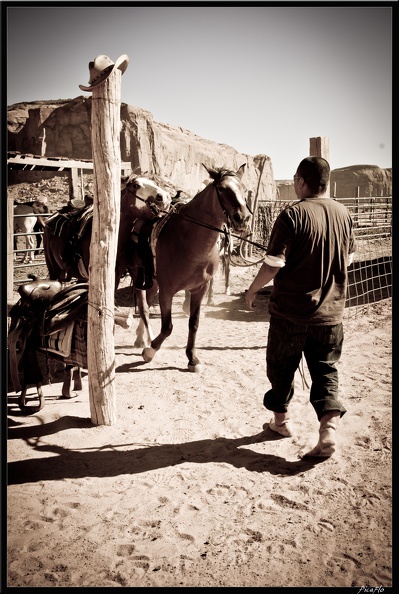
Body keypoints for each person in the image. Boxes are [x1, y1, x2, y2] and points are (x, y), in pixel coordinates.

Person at [245, 157, 356, 457]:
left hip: (289, 314)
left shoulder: (292, 215)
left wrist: (252, 290)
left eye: (295, 179)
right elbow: (347, 259)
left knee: (280, 368)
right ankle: (328, 431)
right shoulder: (344, 214)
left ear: (301, 181)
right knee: (326, 372)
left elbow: (273, 265)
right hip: (331, 316)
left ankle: (281, 423)